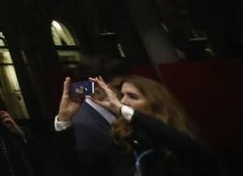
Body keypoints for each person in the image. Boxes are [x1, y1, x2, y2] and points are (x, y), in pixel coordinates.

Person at [55, 75, 222, 176]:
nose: (124, 101)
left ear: (155, 104)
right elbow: (77, 169)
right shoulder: (122, 143)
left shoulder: (177, 138)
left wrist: (122, 110)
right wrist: (64, 119)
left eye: (133, 97)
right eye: (123, 96)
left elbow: (196, 154)